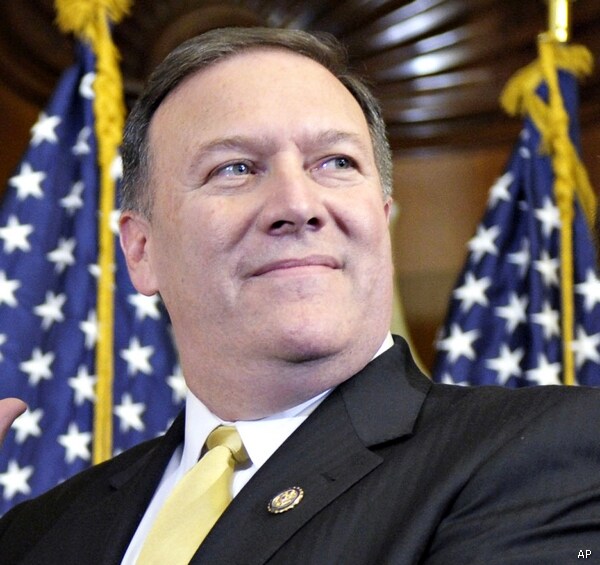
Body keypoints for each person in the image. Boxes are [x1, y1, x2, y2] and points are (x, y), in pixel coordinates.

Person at [0, 26, 600, 564]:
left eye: (336, 162)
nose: (298, 204)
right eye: (235, 168)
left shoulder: (547, 451)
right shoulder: (34, 534)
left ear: (381, 218)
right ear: (141, 250)